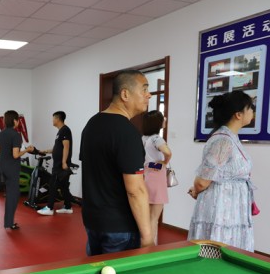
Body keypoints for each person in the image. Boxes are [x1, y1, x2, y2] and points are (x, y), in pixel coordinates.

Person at [80, 70, 153, 255]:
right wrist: (147, 236)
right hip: (120, 227)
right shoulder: (127, 132)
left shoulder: (91, 124)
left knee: (99, 270)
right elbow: (135, 190)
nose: (149, 95)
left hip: (93, 221)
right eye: (144, 89)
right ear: (125, 94)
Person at [188, 91, 256, 251]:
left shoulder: (230, 137)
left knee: (229, 248)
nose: (253, 111)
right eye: (250, 108)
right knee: (218, 248)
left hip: (231, 206)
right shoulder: (223, 140)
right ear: (238, 114)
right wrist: (196, 189)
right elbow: (202, 181)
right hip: (221, 207)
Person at [0, 110, 34, 230]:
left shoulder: (2, 133)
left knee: (13, 194)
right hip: (12, 168)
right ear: (14, 121)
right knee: (13, 195)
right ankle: (9, 222)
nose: (18, 122)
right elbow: (16, 155)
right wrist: (27, 150)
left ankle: (9, 221)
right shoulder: (16, 134)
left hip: (3, 167)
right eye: (18, 120)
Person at [141, 110, 172, 245]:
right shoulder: (156, 139)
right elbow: (168, 152)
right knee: (154, 218)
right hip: (157, 175)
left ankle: (144, 245)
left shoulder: (143, 138)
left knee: (147, 216)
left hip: (146, 174)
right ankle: (151, 248)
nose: (164, 120)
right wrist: (165, 162)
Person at [36, 111, 75, 216]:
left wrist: (63, 162)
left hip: (60, 165)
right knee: (64, 186)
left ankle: (49, 208)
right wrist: (44, 151)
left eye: (53, 118)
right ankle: (68, 207)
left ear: (57, 119)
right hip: (59, 164)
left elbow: (66, 146)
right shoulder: (60, 131)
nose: (52, 120)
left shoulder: (65, 130)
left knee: (53, 185)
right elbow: (57, 148)